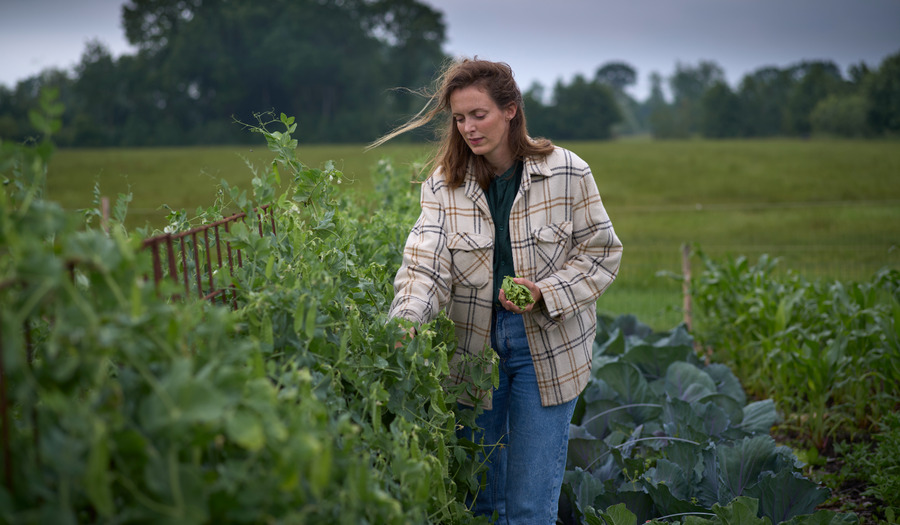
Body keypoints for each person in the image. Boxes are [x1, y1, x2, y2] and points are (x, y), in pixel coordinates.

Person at [370, 58, 623, 524]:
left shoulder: (567, 172)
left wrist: (545, 290)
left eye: (478, 114)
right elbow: (424, 267)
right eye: (459, 118)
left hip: (546, 345)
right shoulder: (443, 187)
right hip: (471, 350)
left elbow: (601, 254)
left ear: (510, 110)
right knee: (479, 500)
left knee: (529, 506)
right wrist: (406, 321)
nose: (467, 127)